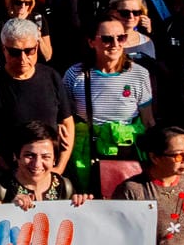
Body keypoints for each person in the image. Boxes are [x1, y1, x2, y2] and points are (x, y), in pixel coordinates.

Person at [0, 19, 74, 188]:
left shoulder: (51, 77)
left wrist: (59, 168)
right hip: (6, 179)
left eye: (29, 51)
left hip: (48, 177)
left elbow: (67, 123)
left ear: (37, 47)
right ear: (3, 49)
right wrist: (8, 170)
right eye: (15, 52)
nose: (23, 58)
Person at [62, 16, 156, 194]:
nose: (115, 44)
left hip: (127, 150)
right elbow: (64, 119)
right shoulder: (75, 74)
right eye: (106, 39)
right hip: (87, 153)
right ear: (91, 42)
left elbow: (148, 120)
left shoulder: (139, 73)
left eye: (120, 38)